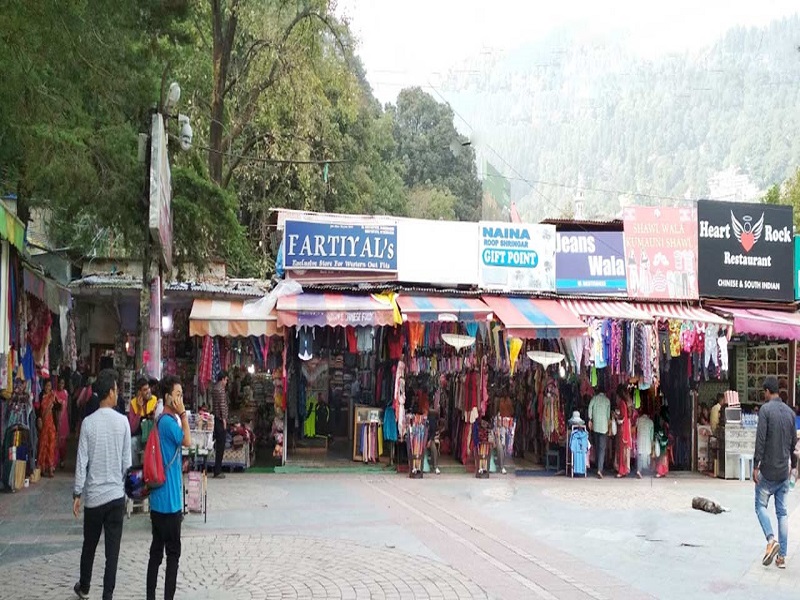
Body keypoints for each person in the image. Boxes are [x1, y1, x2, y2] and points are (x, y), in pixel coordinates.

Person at [73, 369, 131, 600]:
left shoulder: (88, 423)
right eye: (116, 389)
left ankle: (85, 586)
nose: (118, 393)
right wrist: (126, 491)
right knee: (112, 552)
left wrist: (77, 493)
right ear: (110, 392)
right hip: (116, 496)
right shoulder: (123, 422)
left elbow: (81, 461)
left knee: (89, 545)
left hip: (94, 498)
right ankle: (108, 595)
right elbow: (127, 463)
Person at [146, 375, 191, 600]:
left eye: (181, 395)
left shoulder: (161, 421)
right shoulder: (168, 422)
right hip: (170, 501)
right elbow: (187, 441)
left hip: (158, 499)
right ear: (167, 397)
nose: (180, 399)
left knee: (156, 551)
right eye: (177, 395)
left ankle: (151, 596)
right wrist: (183, 414)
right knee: (172, 554)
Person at [753, 376, 798, 569]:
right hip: (783, 471)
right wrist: (793, 466)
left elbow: (760, 440)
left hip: (768, 471)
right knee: (782, 512)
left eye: (764, 391)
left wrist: (756, 465)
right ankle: (782, 557)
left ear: (767, 391)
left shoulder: (765, 410)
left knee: (760, 506)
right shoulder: (790, 413)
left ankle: (771, 540)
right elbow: (793, 443)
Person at [129, 377, 157, 465]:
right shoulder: (133, 403)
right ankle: (135, 469)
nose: (148, 391)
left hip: (152, 436)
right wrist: (139, 409)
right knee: (132, 442)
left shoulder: (154, 400)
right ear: (139, 392)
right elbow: (132, 428)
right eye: (145, 390)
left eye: (148, 388)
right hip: (140, 436)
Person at [587, 384, 611, 479]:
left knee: (597, 446)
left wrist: (590, 419)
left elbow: (590, 407)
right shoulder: (607, 401)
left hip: (596, 426)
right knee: (602, 448)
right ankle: (599, 469)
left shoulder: (594, 398)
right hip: (604, 427)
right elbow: (608, 416)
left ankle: (597, 465)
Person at [37, 379, 59, 478]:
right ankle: (42, 467)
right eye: (46, 385)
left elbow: (58, 407)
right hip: (43, 424)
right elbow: (38, 409)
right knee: (42, 445)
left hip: (51, 425)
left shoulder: (53, 396)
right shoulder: (41, 396)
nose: (47, 387)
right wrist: (39, 419)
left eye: (49, 386)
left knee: (51, 446)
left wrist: (55, 403)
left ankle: (50, 468)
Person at [211, 371, 229, 479]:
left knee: (219, 445)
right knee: (221, 446)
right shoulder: (221, 389)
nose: (226, 382)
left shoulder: (214, 388)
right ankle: (217, 471)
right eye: (226, 380)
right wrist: (224, 420)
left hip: (216, 418)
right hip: (220, 420)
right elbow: (222, 405)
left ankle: (217, 469)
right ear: (223, 379)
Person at [615, 385, 632, 478]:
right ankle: (624, 469)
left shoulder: (622, 403)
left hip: (622, 429)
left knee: (622, 450)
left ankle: (622, 470)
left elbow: (622, 417)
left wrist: (616, 416)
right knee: (624, 450)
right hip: (626, 428)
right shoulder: (626, 403)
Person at [56, 378, 70, 469]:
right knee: (56, 441)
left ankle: (62, 460)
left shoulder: (65, 393)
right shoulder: (54, 393)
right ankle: (55, 460)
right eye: (60, 383)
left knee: (63, 442)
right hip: (56, 419)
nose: (61, 385)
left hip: (63, 419)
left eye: (63, 383)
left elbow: (66, 406)